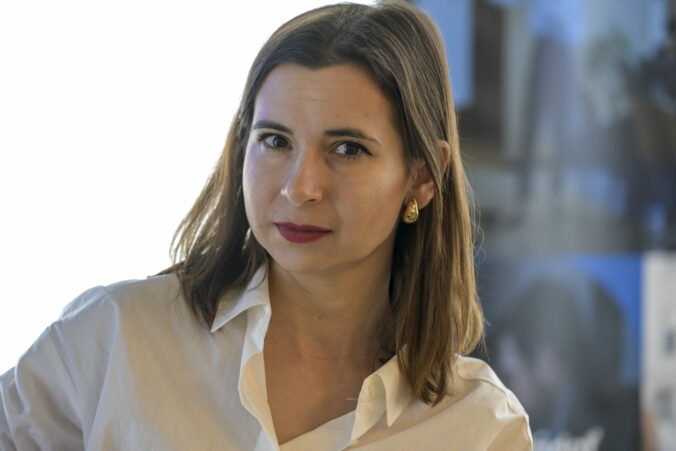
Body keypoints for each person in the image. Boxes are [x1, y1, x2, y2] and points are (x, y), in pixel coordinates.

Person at [0, 1, 532, 449]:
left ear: (421, 176)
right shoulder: (113, 338)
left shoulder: (480, 428)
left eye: (347, 149)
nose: (301, 187)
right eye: (275, 141)